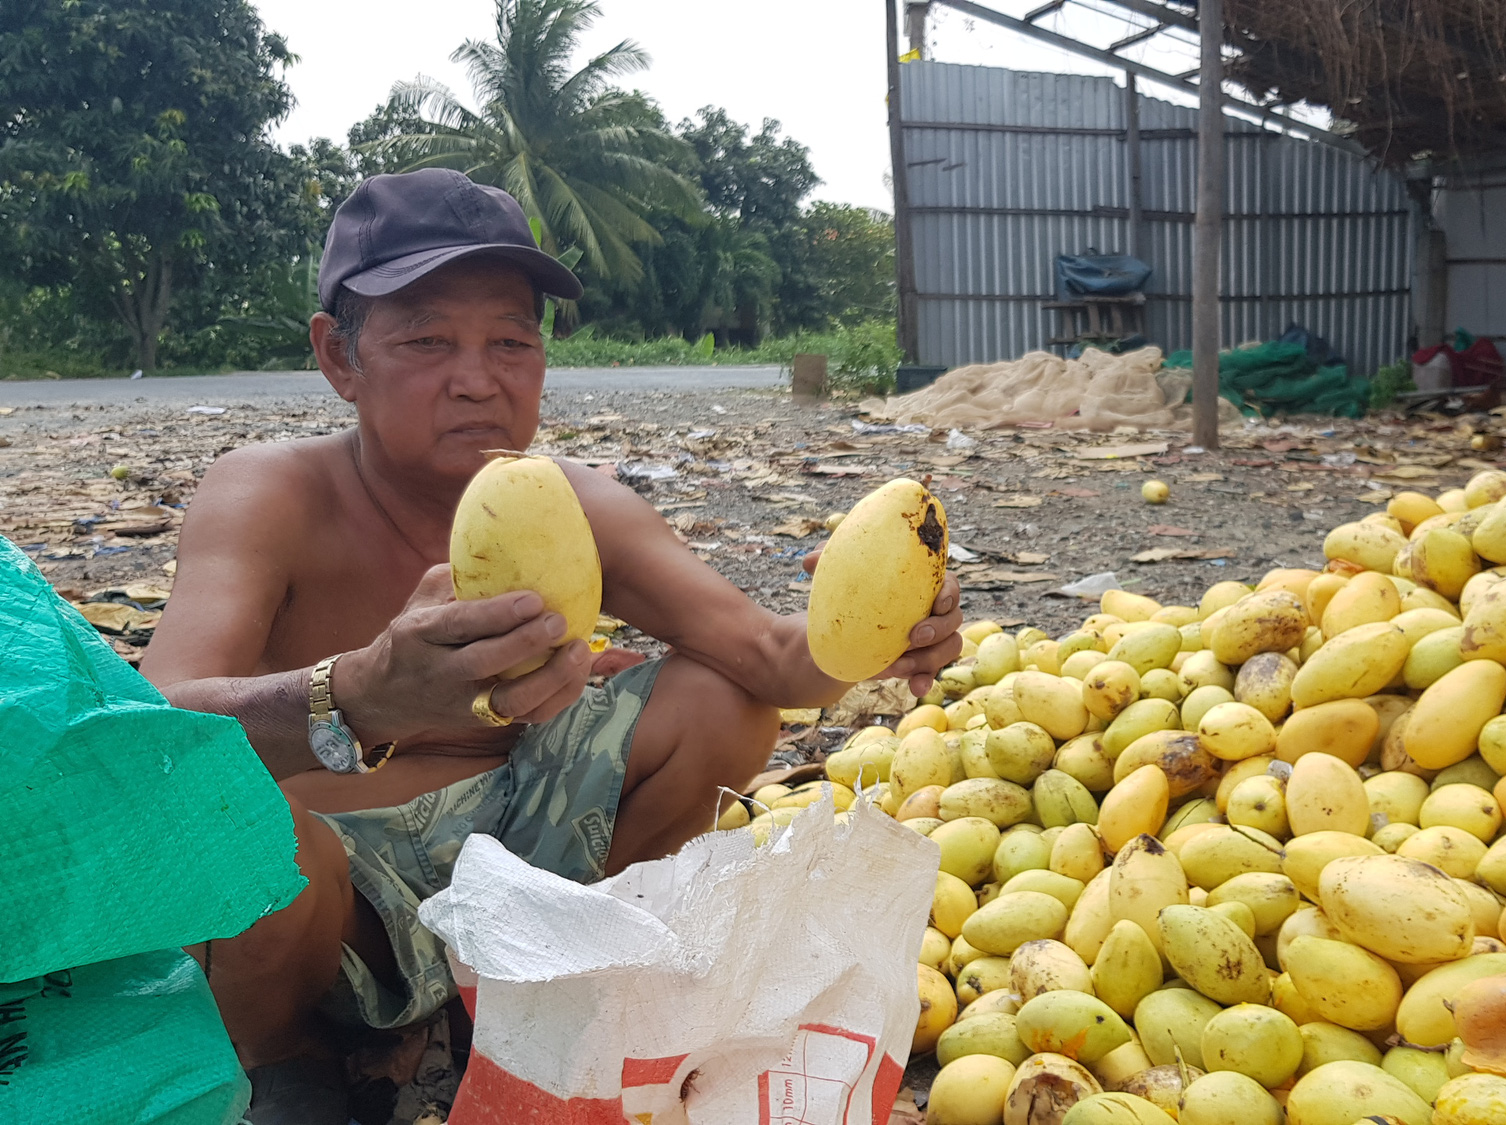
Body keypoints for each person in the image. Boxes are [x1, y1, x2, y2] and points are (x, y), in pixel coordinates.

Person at [141, 168, 962, 1122]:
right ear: (339, 356)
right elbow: (150, 738)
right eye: (425, 338)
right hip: (333, 894)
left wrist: (878, 630)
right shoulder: (269, 495)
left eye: (511, 341)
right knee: (226, 826)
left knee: (719, 698)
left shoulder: (576, 502)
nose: (477, 378)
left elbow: (771, 660)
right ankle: (291, 1055)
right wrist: (356, 693)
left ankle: (570, 987)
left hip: (525, 853)